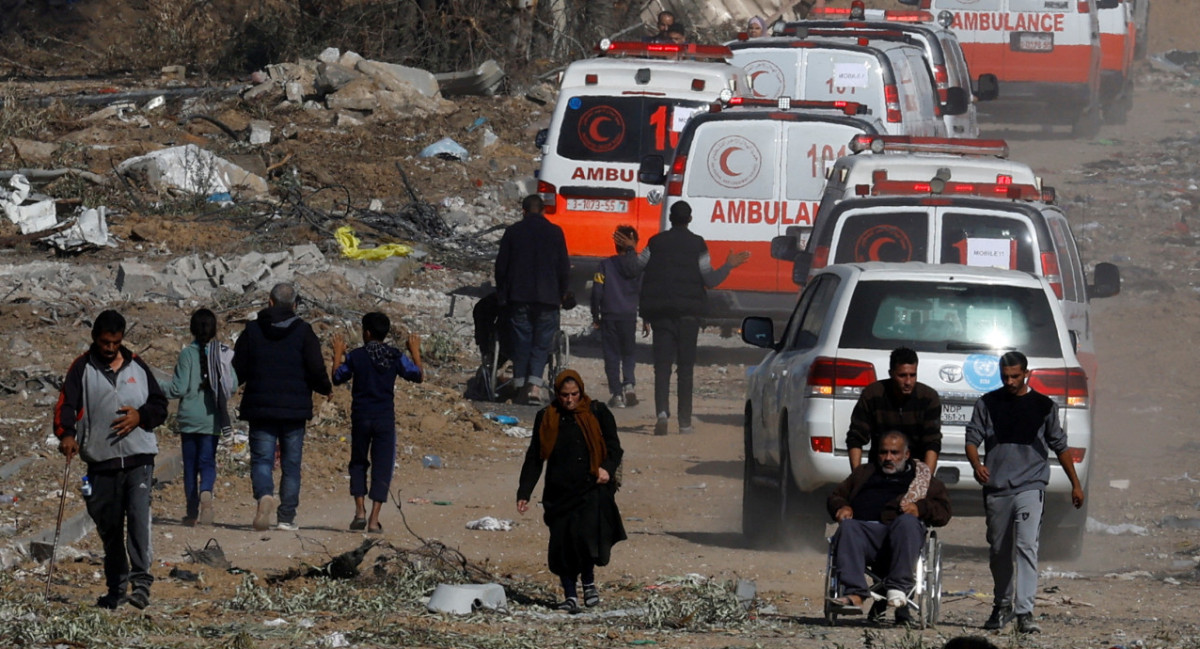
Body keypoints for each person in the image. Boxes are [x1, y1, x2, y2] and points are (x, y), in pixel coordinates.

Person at [54, 309, 168, 610]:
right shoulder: (81, 368)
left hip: (139, 458)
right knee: (110, 528)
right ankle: (116, 589)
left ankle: (141, 584)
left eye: (116, 343)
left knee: (139, 521)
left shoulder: (138, 367)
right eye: (105, 342)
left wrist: (140, 416)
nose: (110, 348)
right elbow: (66, 405)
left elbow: (159, 406)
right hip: (101, 463)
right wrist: (66, 435)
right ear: (95, 338)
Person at [965, 351, 1084, 634]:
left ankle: (1024, 612)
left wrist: (1075, 484)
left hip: (1030, 486)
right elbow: (972, 438)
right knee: (998, 550)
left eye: (1015, 376)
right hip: (997, 488)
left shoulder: (1043, 406)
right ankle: (1002, 603)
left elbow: (1060, 446)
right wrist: (976, 464)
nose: (1009, 381)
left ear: (1026, 374)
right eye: (1005, 376)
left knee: (1026, 547)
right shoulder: (987, 403)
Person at [616, 200, 750, 435]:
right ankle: (685, 422)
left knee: (662, 367)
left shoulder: (655, 242)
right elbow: (709, 280)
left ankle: (662, 414)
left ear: (670, 218)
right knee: (685, 369)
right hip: (689, 314)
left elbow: (634, 269)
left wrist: (630, 248)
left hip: (661, 314)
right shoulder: (697, 244)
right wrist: (728, 265)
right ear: (689, 219)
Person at [517, 370, 626, 614]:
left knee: (586, 541)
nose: (569, 400)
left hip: (591, 489)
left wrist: (606, 469)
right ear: (557, 394)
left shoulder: (597, 412)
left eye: (574, 394)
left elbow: (614, 448)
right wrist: (524, 492)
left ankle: (588, 582)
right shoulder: (546, 417)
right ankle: (569, 595)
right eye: (565, 395)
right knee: (563, 546)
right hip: (559, 493)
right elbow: (535, 456)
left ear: (581, 392)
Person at [232, 282, 332, 532]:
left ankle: (265, 495)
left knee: (262, 460)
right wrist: (324, 387)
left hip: (260, 407)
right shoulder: (304, 332)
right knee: (291, 464)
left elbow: (238, 369)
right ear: (295, 305)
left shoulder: (252, 331)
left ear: (270, 301)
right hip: (294, 409)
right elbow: (315, 367)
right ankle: (286, 517)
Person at [825, 431, 951, 626]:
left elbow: (944, 511)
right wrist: (842, 507)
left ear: (906, 455)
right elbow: (836, 495)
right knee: (848, 527)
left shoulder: (923, 480)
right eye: (884, 453)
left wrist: (920, 508)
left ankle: (899, 587)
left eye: (894, 453)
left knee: (907, 522)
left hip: (902, 538)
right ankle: (855, 594)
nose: (888, 458)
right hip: (866, 536)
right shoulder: (865, 473)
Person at [331, 312, 424, 534]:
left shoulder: (356, 356)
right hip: (384, 418)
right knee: (382, 466)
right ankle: (374, 519)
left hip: (361, 416)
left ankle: (359, 511)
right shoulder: (394, 356)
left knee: (358, 463)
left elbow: (337, 377)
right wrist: (416, 352)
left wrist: (337, 354)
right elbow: (418, 375)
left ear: (367, 332)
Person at [161, 308, 237, 527]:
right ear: (214, 330)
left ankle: (191, 512)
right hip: (212, 418)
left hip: (188, 419)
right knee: (207, 462)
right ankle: (206, 491)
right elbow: (231, 384)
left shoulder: (186, 355)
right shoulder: (222, 352)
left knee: (190, 467)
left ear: (192, 329)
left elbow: (178, 388)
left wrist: (153, 385)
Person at [494, 194, 570, 407]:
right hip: (548, 297)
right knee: (542, 342)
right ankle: (535, 386)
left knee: (522, 339)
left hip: (519, 297)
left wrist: (502, 293)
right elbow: (564, 267)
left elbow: (501, 267)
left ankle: (519, 383)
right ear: (544, 211)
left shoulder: (513, 232)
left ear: (524, 211)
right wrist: (563, 292)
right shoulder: (555, 232)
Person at [846, 347, 942, 472]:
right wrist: (857, 475)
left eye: (912, 375)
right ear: (891, 373)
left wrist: (926, 480)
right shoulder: (872, 395)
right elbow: (855, 437)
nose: (908, 382)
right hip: (879, 469)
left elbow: (932, 443)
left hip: (914, 468)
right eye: (902, 376)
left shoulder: (928, 398)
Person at [590, 225, 643, 409]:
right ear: (634, 244)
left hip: (610, 316)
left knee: (612, 355)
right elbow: (643, 293)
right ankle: (629, 384)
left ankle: (617, 394)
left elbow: (597, 291)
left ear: (615, 244)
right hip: (629, 316)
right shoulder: (639, 268)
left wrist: (595, 315)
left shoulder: (605, 265)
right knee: (628, 352)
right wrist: (646, 319)